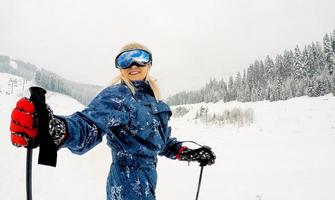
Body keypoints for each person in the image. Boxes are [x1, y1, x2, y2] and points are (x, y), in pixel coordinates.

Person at [10, 42, 216, 200]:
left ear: (149, 64)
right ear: (119, 67)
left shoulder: (155, 101)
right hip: (126, 181)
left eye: (140, 58)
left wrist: (188, 153)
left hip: (148, 179)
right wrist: (55, 128)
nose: (134, 64)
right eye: (126, 60)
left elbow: (162, 144)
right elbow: (87, 125)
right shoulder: (117, 96)